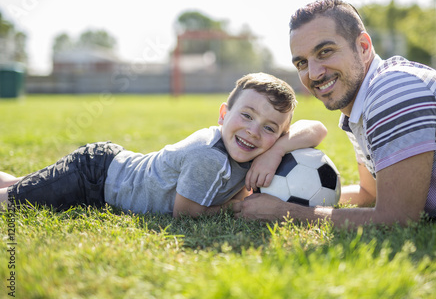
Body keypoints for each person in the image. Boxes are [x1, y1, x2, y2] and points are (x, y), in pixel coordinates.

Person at [233, 0, 436, 226]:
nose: (313, 73)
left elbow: (397, 218)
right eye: (302, 63)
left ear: (362, 47)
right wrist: (273, 195)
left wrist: (284, 212)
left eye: (325, 52)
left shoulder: (393, 91)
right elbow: (368, 193)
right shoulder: (359, 109)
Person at [0, 73, 327, 218]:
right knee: (12, 201)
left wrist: (275, 151)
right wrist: (239, 208)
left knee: (24, 184)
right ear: (223, 115)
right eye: (246, 115)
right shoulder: (209, 157)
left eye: (270, 128)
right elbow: (186, 214)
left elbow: (318, 128)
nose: (254, 132)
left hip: (109, 168)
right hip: (95, 178)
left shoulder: (261, 149)